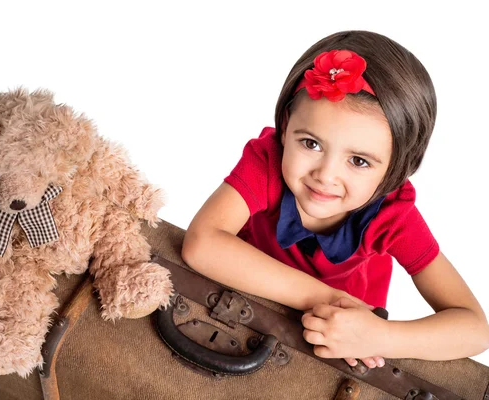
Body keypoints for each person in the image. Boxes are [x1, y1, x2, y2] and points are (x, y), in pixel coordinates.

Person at [181, 30, 489, 369]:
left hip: (333, 352)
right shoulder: (267, 162)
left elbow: (474, 329)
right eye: (311, 144)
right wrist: (327, 299)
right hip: (240, 318)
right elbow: (201, 244)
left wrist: (380, 336)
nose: (325, 175)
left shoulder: (393, 214)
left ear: (396, 170)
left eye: (358, 161)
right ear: (285, 127)